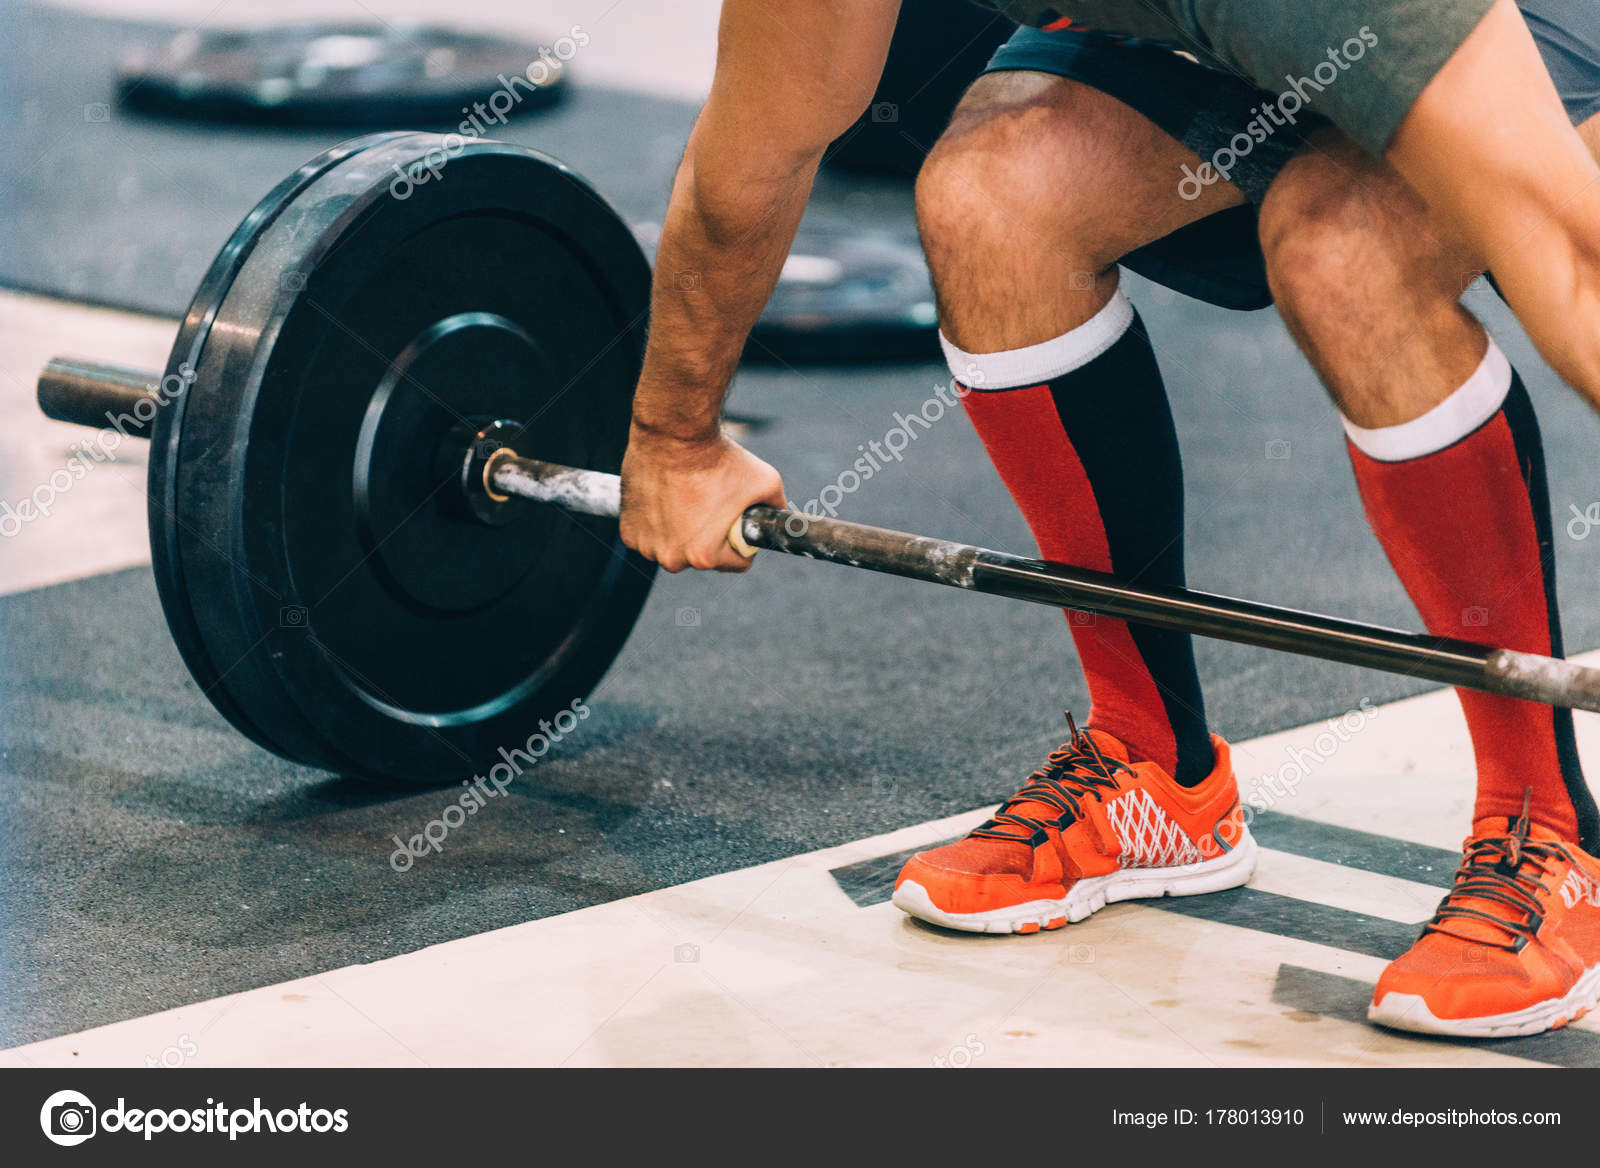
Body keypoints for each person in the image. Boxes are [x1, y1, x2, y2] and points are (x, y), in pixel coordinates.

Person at [617, 0, 1600, 1038]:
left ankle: (1548, 829)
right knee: (988, 197)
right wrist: (672, 438)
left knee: (1342, 248)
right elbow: (753, 151)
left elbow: (1572, 260)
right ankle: (1155, 770)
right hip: (1215, 33)